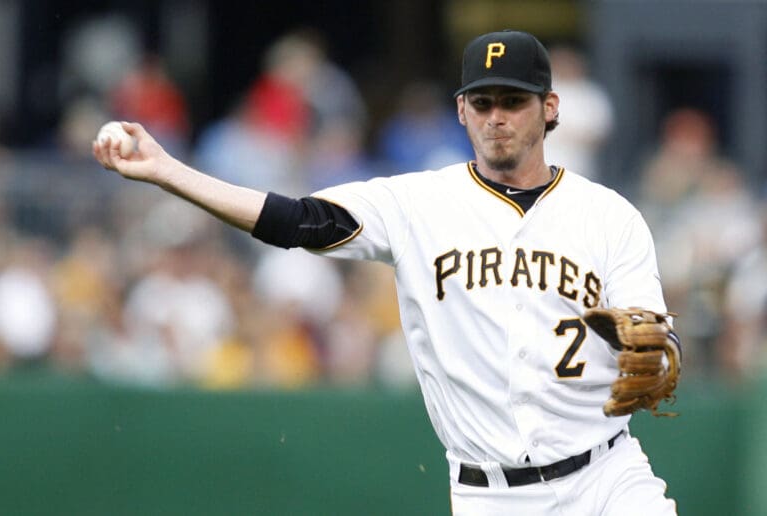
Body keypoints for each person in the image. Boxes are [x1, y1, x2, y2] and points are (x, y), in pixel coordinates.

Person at [93, 30, 678, 515]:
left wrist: (654, 351)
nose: (496, 117)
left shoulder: (608, 216)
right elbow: (297, 220)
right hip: (491, 495)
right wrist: (169, 171)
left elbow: (654, 336)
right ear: (461, 110)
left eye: (513, 101)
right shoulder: (415, 204)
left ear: (549, 108)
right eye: (482, 103)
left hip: (607, 477)